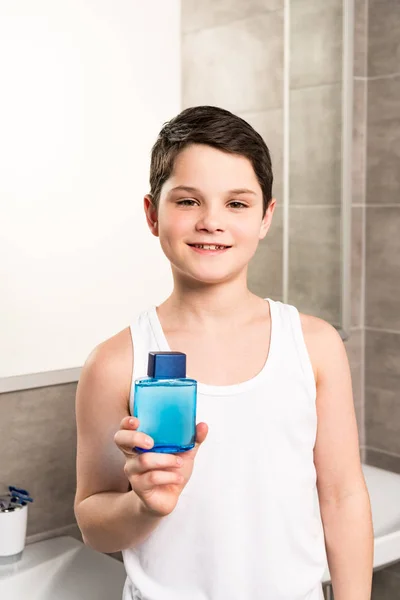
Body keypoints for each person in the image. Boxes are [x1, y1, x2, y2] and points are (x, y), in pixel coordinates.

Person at [74, 105, 373, 600]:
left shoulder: (314, 346)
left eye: (236, 204)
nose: (212, 221)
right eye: (189, 201)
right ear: (152, 213)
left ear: (265, 217)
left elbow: (342, 498)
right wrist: (145, 505)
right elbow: (94, 524)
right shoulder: (114, 363)